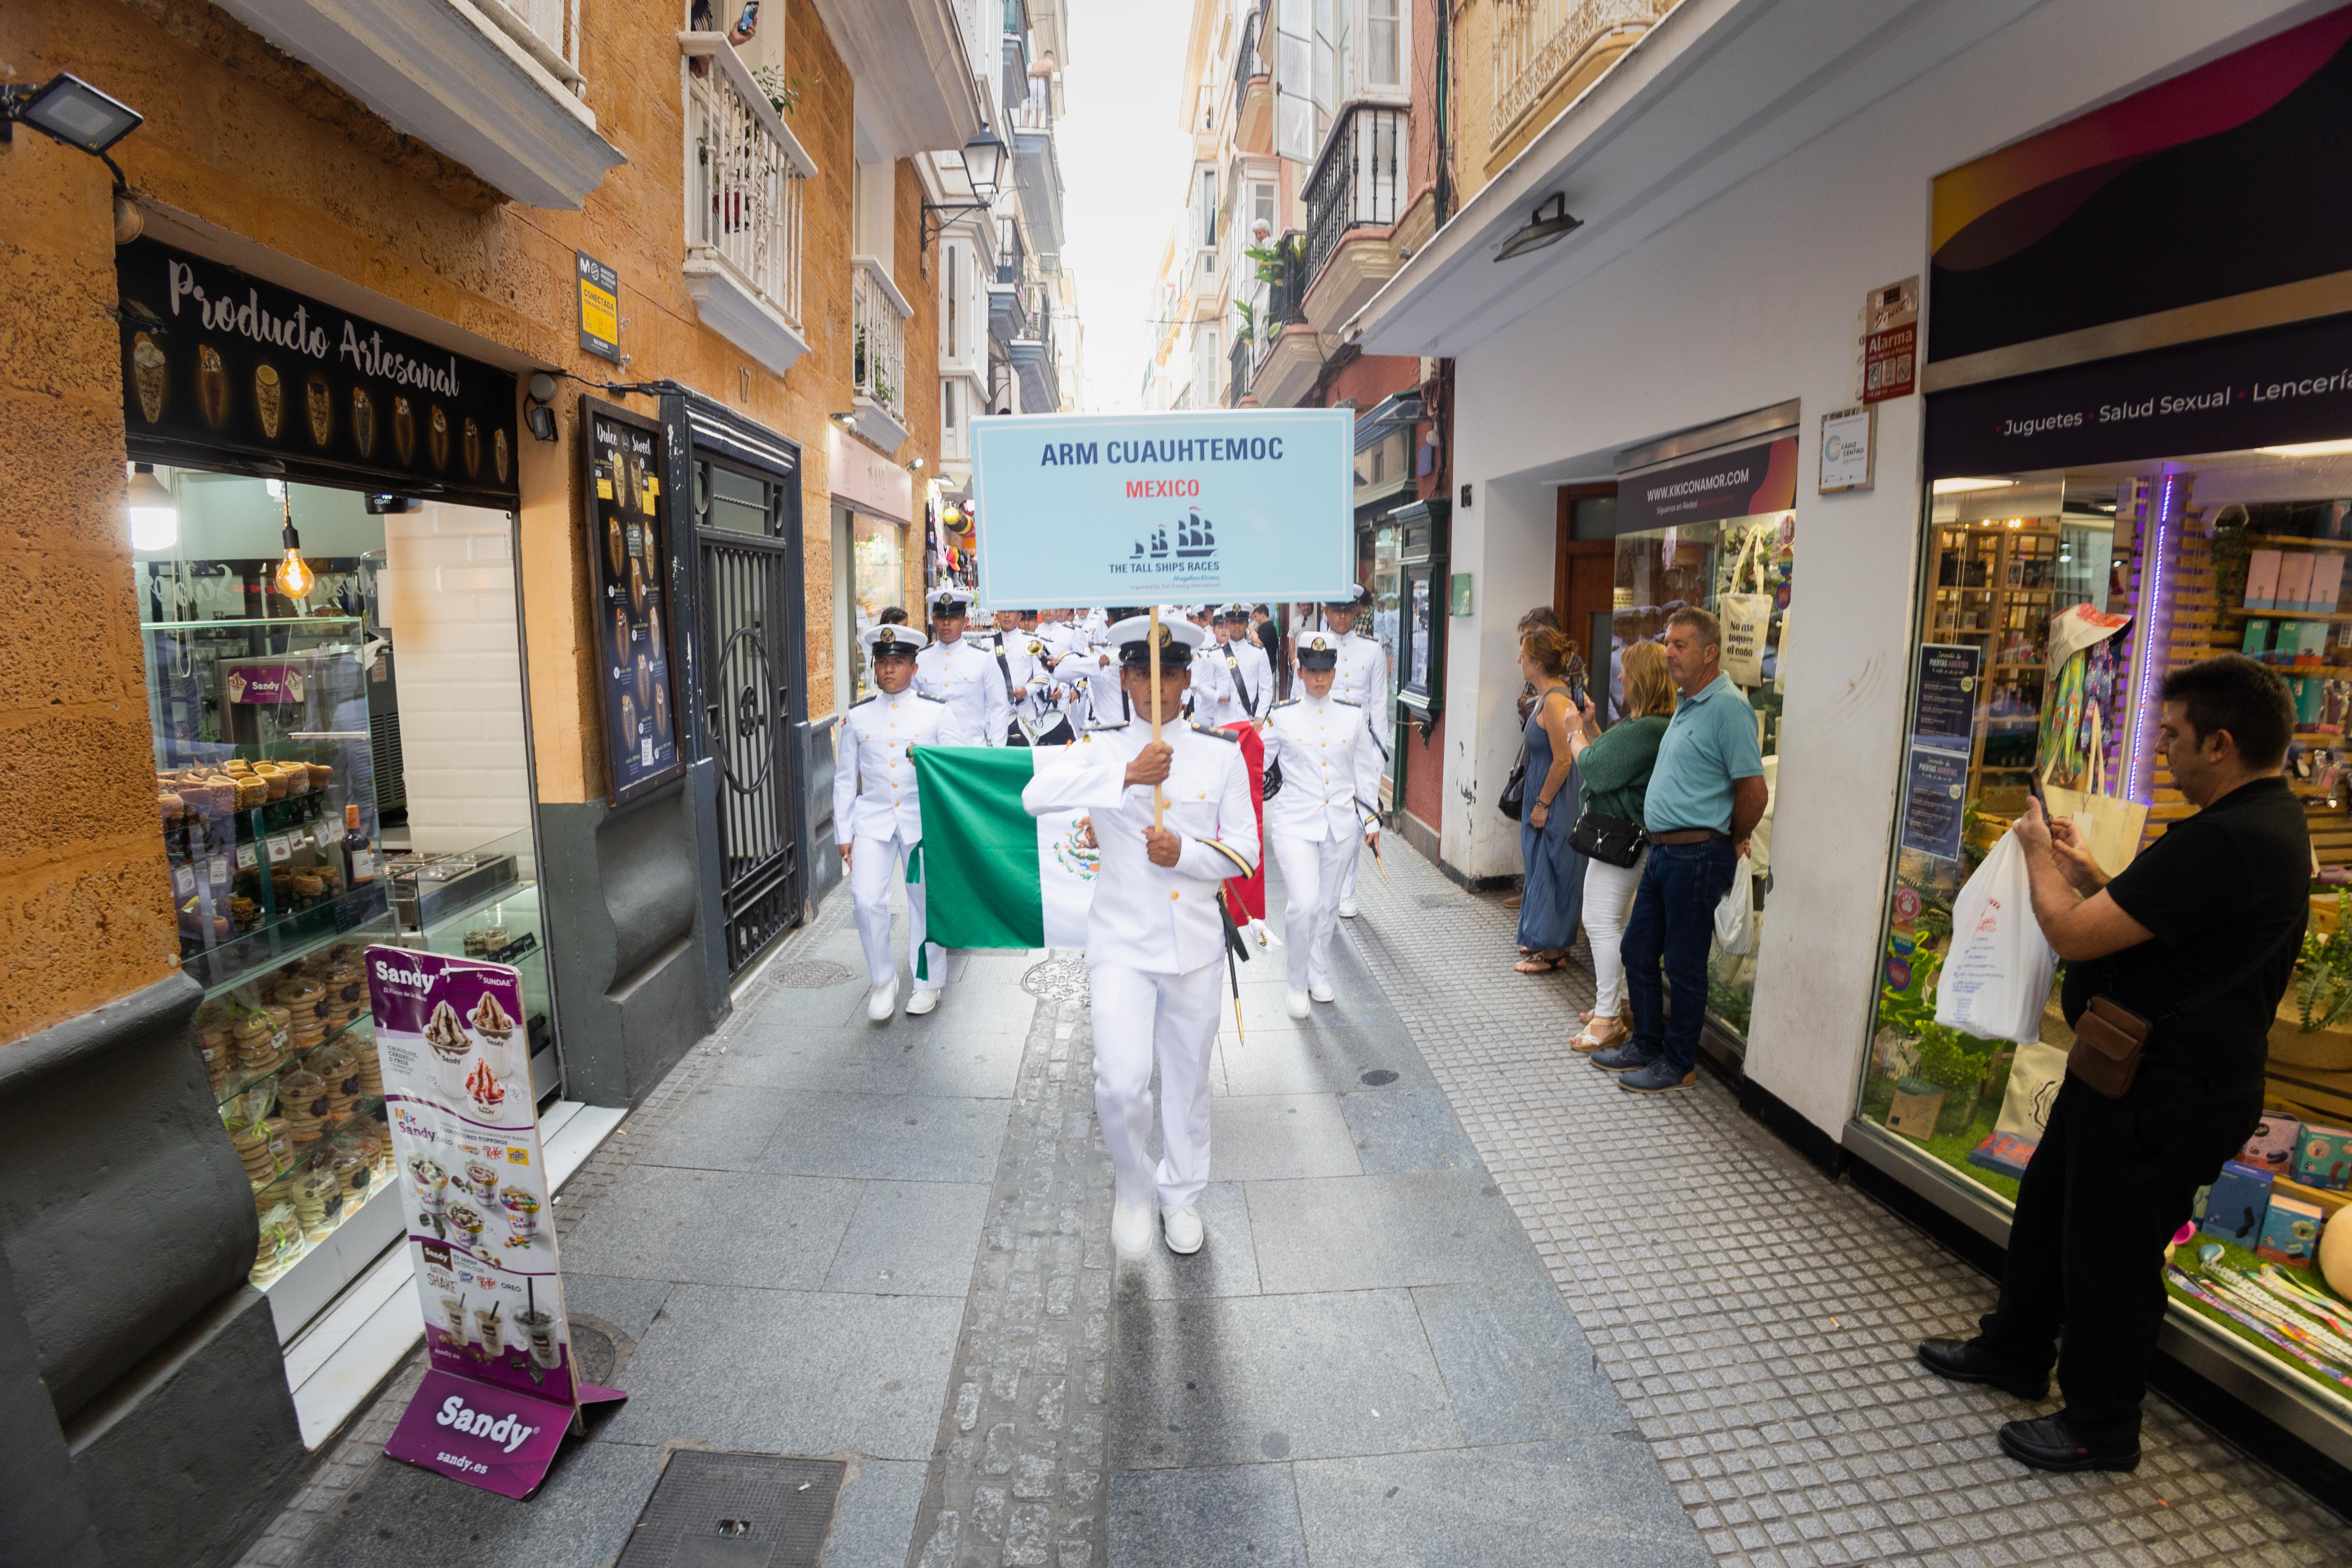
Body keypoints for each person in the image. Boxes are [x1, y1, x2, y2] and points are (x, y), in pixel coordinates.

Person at [1918, 654, 2308, 1473]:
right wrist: (2090, 872)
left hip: (2168, 1090)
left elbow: (2075, 935)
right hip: (2127, 1071)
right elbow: (2165, 920)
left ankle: (2101, 1424)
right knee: (2055, 1203)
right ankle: (2017, 1349)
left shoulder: (2233, 838)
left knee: (2113, 1256)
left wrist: (2032, 855)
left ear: (2222, 743)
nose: (2163, 748)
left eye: (2172, 734)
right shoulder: (2262, 823)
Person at [1022, 612, 1258, 1259]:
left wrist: (1183, 849)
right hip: (1121, 943)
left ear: (1186, 678)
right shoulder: (1100, 748)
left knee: (1184, 1082)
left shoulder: (1219, 751)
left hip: (1193, 946)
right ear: (1124, 678)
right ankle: (1133, 1180)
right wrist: (1127, 774)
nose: (1156, 688)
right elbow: (1033, 796)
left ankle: (1180, 1194)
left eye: (1170, 673)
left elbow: (1244, 853)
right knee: (1120, 1080)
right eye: (1141, 674)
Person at [1592, 607, 1766, 1092]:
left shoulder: (1728, 708)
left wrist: (1730, 839)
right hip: (1665, 853)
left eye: (1679, 645)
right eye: (1666, 643)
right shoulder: (1688, 703)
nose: (1668, 652)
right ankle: (1647, 1043)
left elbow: (1754, 792)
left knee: (1685, 965)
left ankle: (1678, 1063)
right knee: (1637, 948)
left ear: (1710, 652)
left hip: (1696, 856)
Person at [834, 625, 978, 1021]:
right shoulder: (858, 716)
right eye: (882, 663)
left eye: (898, 662)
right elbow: (846, 778)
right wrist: (843, 833)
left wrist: (928, 755)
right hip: (873, 821)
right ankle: (883, 980)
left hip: (922, 821)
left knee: (924, 902)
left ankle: (927, 981)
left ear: (914, 667)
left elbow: (958, 765)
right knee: (865, 900)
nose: (889, 670)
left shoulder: (937, 712)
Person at [1262, 633, 1381, 1018]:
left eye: (1326, 671)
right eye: (1312, 671)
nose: (1319, 679)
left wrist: (1371, 819)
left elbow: (1364, 770)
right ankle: (1296, 981)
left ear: (1335, 671)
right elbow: (1252, 763)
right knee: (1304, 904)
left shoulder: (1352, 714)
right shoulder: (1280, 716)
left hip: (1341, 825)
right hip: (1295, 822)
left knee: (1328, 906)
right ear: (1299, 670)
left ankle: (1317, 971)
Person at [1563, 642, 1674, 1052]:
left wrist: (1574, 728)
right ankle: (1619, 1003)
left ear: (1642, 679)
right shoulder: (1648, 724)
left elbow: (1593, 766)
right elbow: (1611, 761)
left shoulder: (1648, 728)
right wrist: (1591, 729)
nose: (1621, 678)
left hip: (1623, 841)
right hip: (1623, 840)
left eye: (1627, 672)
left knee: (1599, 920)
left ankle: (1608, 1017)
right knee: (1616, 923)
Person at [1314, 586, 1391, 918]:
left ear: (1357, 610)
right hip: (1322, 742)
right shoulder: (1313, 644)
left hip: (1358, 746)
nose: (1342, 616)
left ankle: (1346, 891)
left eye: (1348, 609)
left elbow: (1380, 707)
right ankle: (1321, 884)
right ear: (1326, 610)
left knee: (1358, 818)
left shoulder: (1372, 651)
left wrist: (1378, 756)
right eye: (1336, 609)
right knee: (1320, 814)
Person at [1513, 626, 1583, 975]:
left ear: (1537, 663)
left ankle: (1554, 950)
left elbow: (1564, 759)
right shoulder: (1547, 696)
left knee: (1553, 867)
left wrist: (1542, 803)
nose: (1519, 660)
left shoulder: (1555, 701)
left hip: (1554, 796)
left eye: (1523, 655)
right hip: (1545, 792)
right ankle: (1541, 937)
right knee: (1540, 863)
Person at [916, 586, 1012, 746]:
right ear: (934, 619)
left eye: (953, 618)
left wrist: (997, 750)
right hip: (933, 752)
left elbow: (999, 707)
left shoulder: (983, 658)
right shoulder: (920, 659)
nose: (946, 623)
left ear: (965, 621)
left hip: (972, 749)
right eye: (941, 618)